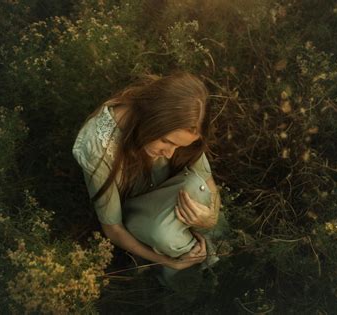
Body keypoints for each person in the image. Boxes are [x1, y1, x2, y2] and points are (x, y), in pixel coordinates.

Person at [72, 72, 225, 282]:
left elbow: (207, 181)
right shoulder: (99, 148)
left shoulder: (183, 125)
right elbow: (113, 228)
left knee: (202, 198)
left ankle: (221, 260)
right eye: (166, 141)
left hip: (169, 198)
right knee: (167, 239)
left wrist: (211, 218)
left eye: (179, 146)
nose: (170, 153)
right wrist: (168, 262)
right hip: (140, 220)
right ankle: (187, 281)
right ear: (153, 120)